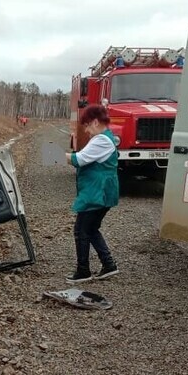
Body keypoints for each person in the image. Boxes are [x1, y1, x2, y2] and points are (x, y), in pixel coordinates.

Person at [64, 104, 119, 283]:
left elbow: (79, 159)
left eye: (86, 125)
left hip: (97, 193)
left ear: (95, 122)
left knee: (81, 230)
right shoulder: (105, 137)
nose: (86, 131)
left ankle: (83, 271)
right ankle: (109, 265)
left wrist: (51, 154)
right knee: (91, 229)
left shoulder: (101, 140)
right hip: (101, 192)